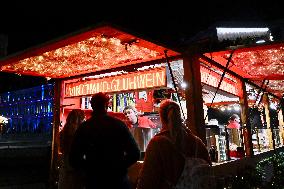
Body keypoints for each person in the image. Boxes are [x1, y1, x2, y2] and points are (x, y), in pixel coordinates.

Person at [69, 92, 140, 189]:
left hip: (94, 182)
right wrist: (118, 167)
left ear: (92, 105)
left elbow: (73, 159)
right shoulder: (119, 125)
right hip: (118, 181)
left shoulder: (84, 128)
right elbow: (135, 153)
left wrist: (90, 169)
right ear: (107, 105)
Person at [136, 99, 211, 189]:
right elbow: (209, 170)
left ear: (162, 118)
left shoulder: (157, 143)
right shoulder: (197, 142)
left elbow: (147, 182)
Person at [58, 109, 86, 189]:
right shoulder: (79, 134)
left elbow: (61, 149)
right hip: (75, 172)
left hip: (65, 171)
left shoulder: (63, 133)